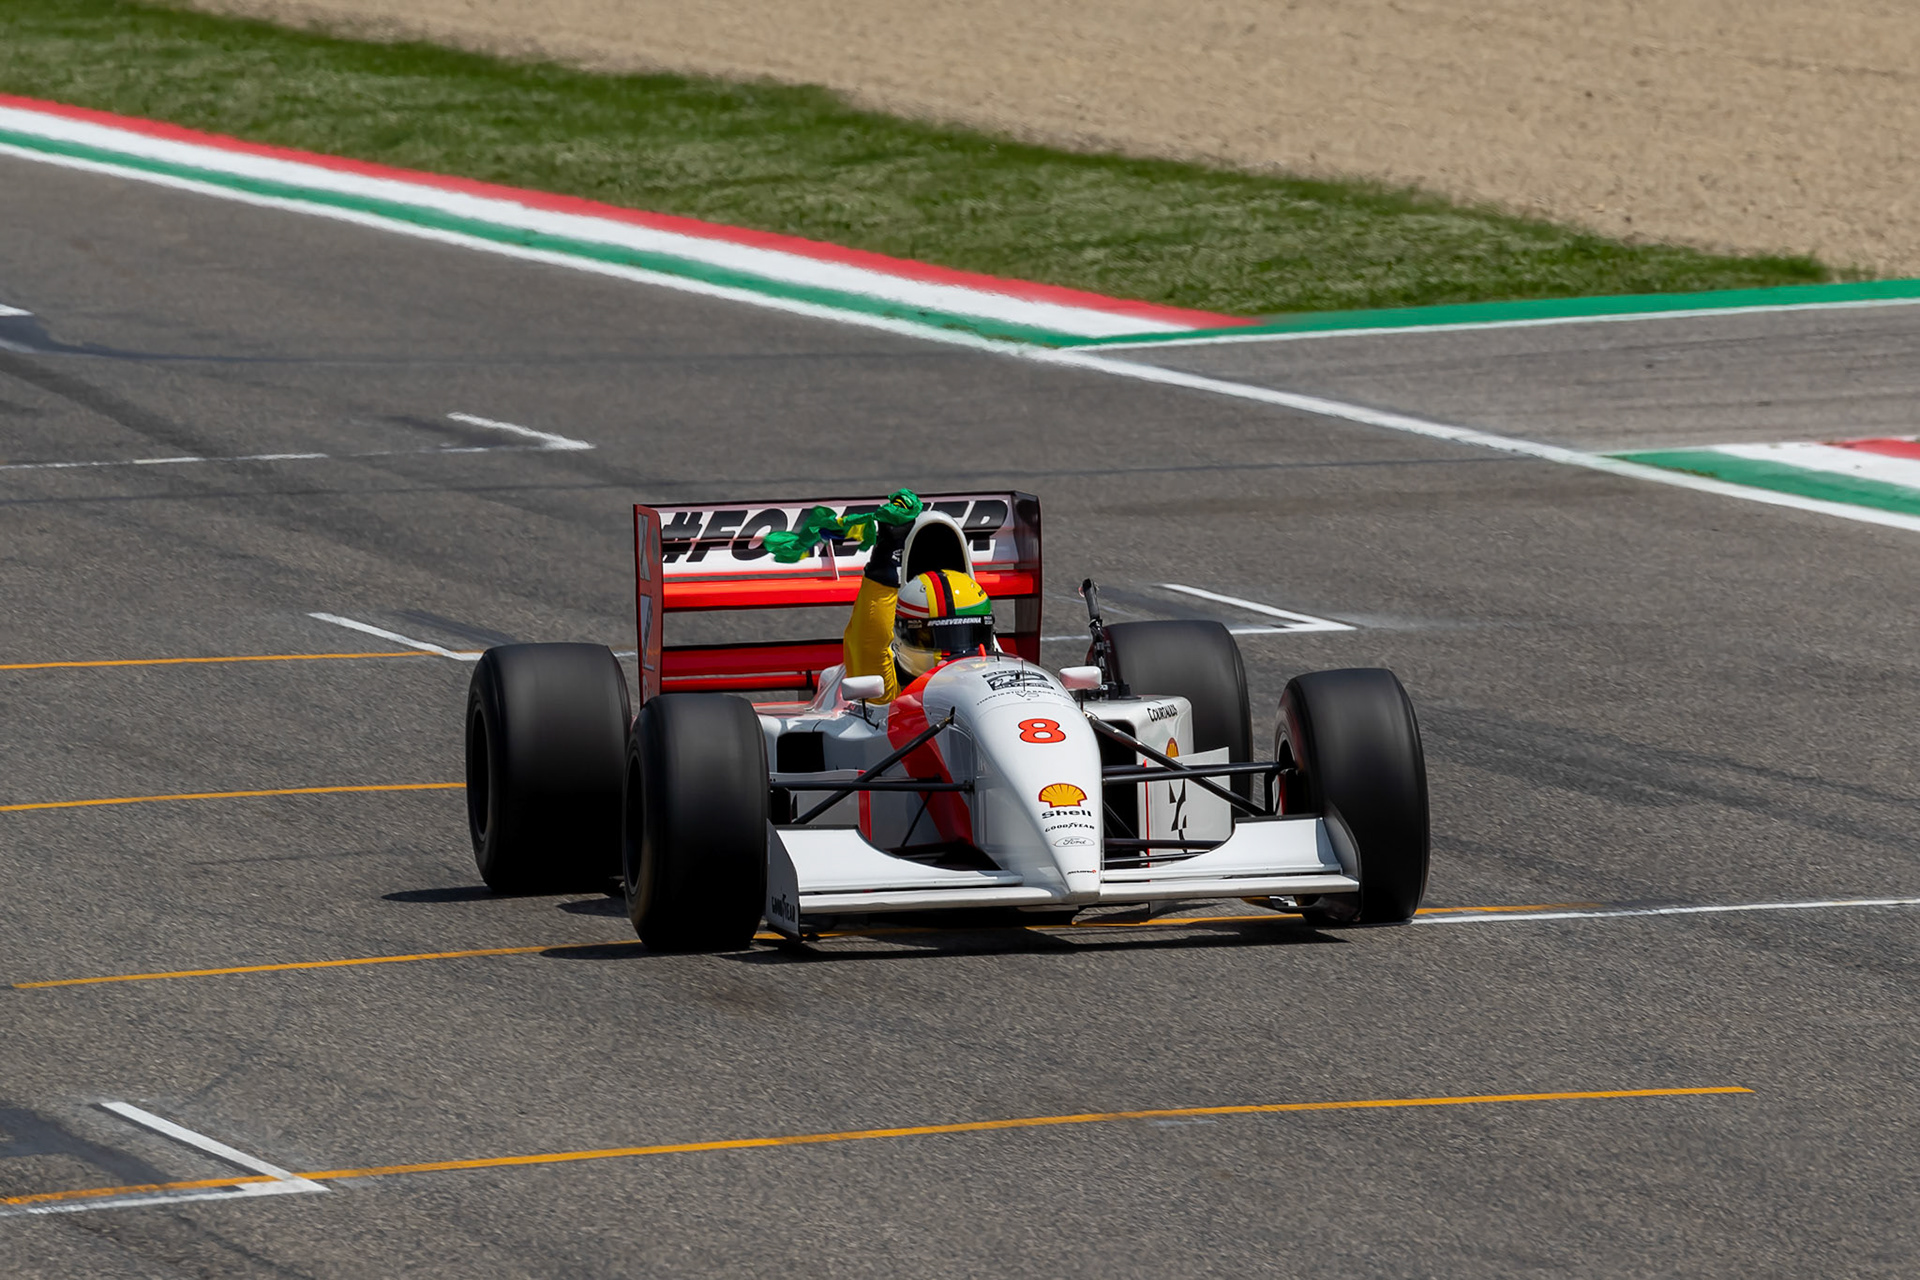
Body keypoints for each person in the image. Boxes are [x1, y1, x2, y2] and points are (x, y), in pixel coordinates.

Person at [842, 505, 996, 703]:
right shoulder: (884, 693)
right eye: (933, 637)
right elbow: (870, 642)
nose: (955, 651)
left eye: (969, 634)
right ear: (902, 634)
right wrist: (883, 564)